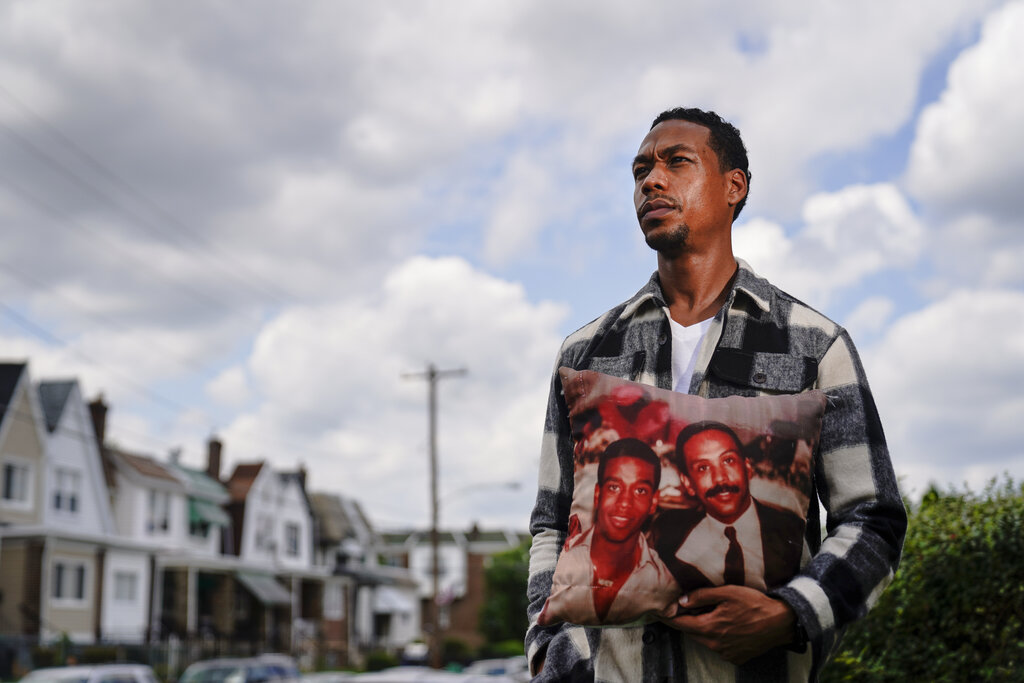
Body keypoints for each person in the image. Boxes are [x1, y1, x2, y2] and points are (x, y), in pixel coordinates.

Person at [526, 107, 907, 682]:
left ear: (735, 186)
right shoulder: (583, 354)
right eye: (639, 171)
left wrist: (791, 613)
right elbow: (553, 525)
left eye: (676, 162)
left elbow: (872, 519)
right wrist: (554, 658)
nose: (650, 181)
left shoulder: (813, 345)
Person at [537, 438, 679, 626]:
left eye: (640, 491)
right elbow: (546, 526)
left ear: (653, 502)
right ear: (598, 494)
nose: (625, 503)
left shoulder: (664, 580)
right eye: (614, 487)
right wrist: (540, 642)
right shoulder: (568, 557)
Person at [650, 422, 804, 593]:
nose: (720, 479)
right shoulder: (664, 534)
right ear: (688, 483)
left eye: (728, 460)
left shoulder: (792, 532)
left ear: (747, 468)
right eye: (703, 468)